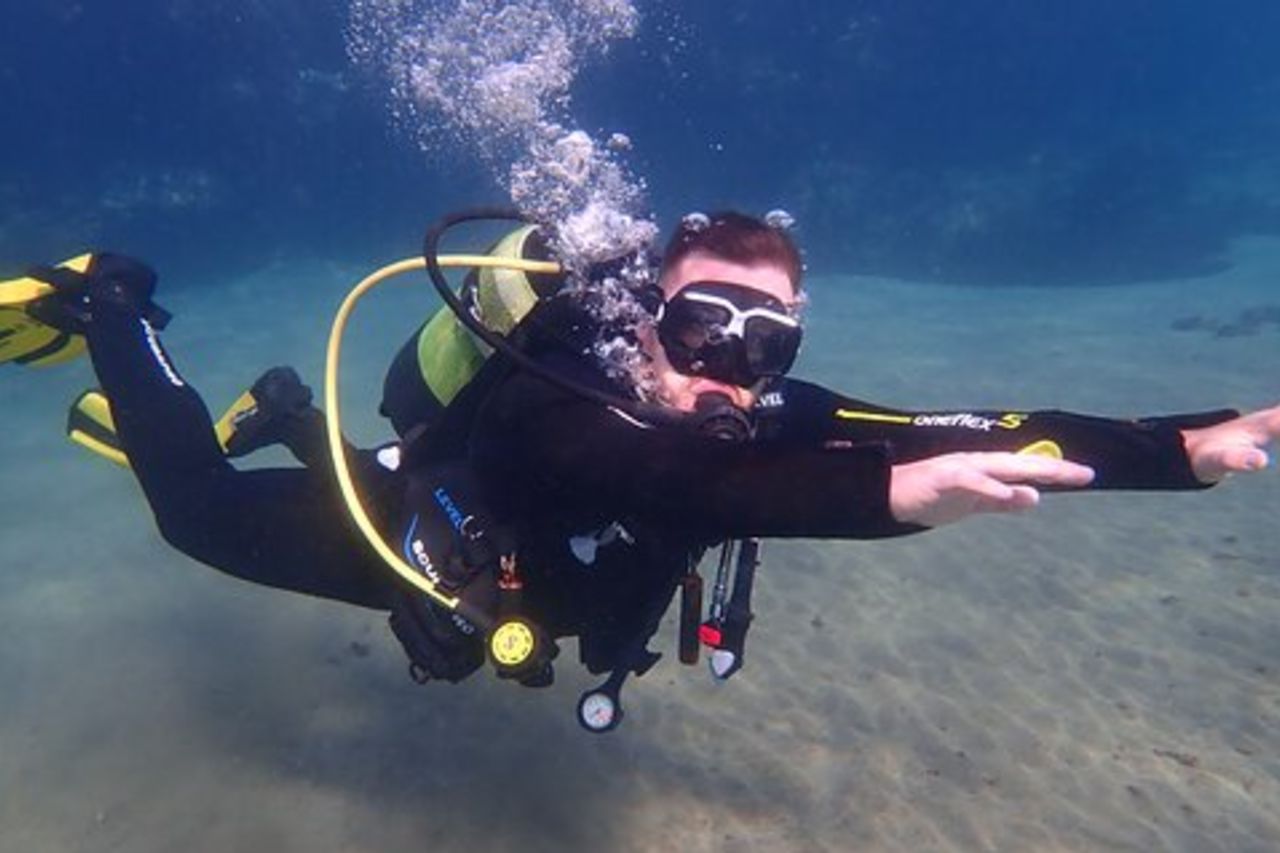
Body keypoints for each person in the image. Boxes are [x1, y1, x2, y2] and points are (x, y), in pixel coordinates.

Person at [4, 212, 1276, 728]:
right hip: (419, 505)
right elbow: (690, 492)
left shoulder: (747, 408)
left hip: (538, 560)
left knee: (584, 613)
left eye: (765, 343)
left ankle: (286, 408)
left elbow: (983, 422)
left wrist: (1182, 448)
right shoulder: (572, 391)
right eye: (702, 324)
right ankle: (115, 304)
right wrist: (889, 499)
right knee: (194, 515)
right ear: (645, 309)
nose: (727, 364)